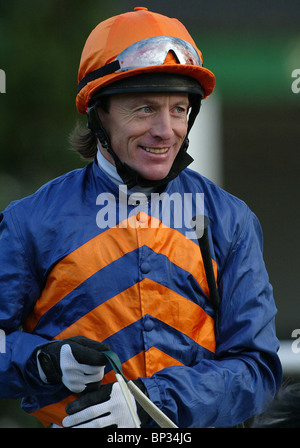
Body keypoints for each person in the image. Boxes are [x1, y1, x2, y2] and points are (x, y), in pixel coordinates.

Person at [0, 7, 282, 428]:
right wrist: (42, 362)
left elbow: (258, 369)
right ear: (99, 115)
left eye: (179, 109)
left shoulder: (230, 220)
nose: (166, 130)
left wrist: (154, 402)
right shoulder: (30, 222)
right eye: (145, 109)